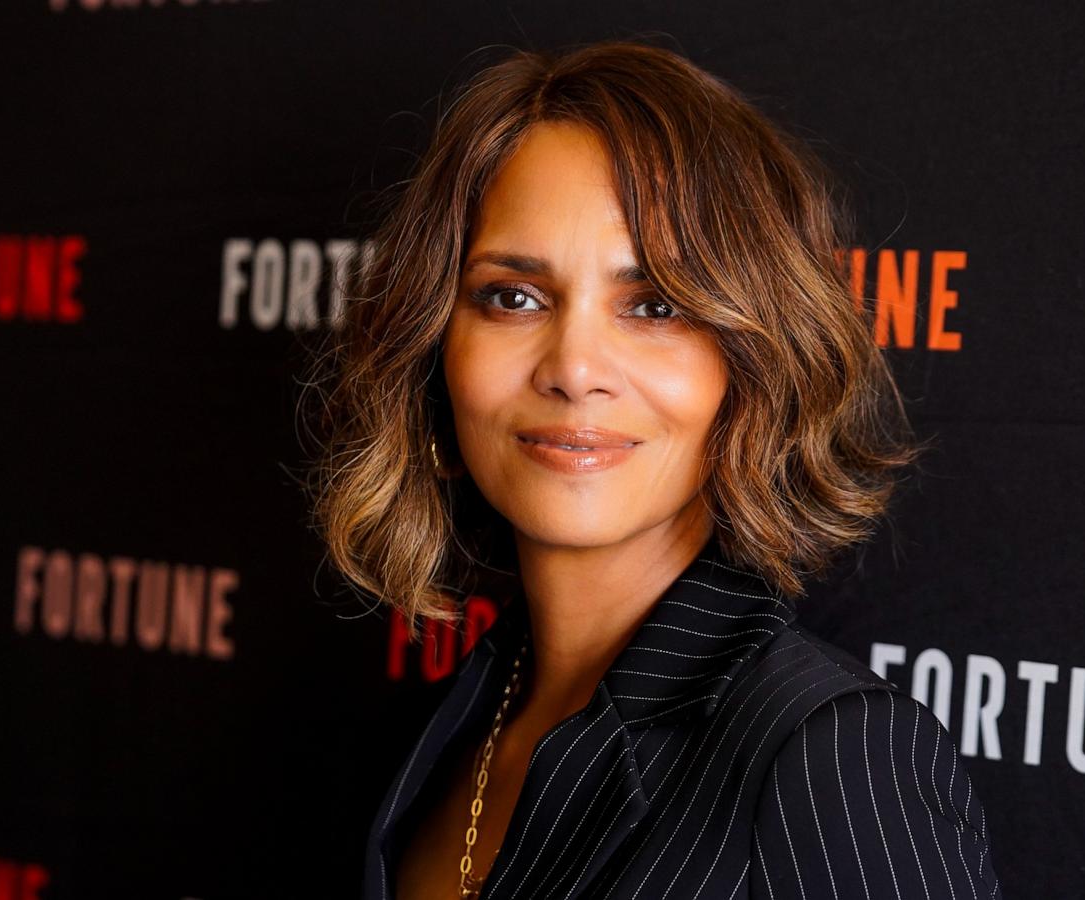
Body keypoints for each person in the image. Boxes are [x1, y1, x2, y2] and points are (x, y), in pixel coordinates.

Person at [304, 39, 1001, 900]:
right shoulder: (449, 728)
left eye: (655, 305)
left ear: (751, 365)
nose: (575, 366)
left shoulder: (830, 754)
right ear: (434, 349)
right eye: (512, 297)